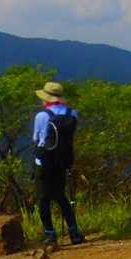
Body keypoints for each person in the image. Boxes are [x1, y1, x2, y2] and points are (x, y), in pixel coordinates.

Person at [32, 81, 85, 245]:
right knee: (61, 197)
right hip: (62, 161)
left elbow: (36, 138)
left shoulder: (42, 116)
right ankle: (74, 233)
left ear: (46, 98)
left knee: (43, 199)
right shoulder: (72, 114)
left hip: (44, 161)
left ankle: (50, 234)